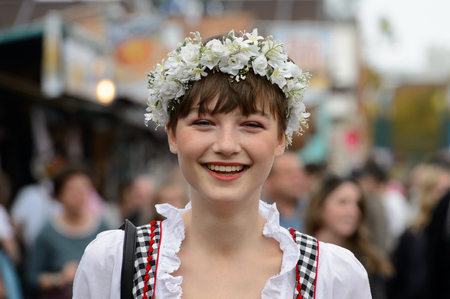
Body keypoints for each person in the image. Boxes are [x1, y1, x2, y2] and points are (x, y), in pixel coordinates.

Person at [73, 29, 371, 298]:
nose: (226, 146)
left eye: (251, 124)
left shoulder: (334, 278)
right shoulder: (112, 264)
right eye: (203, 122)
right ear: (172, 135)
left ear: (281, 139)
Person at [27, 165, 108, 299]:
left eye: (84, 188)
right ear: (60, 195)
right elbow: (32, 276)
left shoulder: (103, 227)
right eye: (72, 189)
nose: (79, 195)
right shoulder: (47, 231)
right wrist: (59, 278)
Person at [305, 174, 392, 299]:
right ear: (319, 206)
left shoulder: (369, 264)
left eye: (358, 204)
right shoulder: (294, 252)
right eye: (343, 202)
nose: (353, 211)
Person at [264, 151, 308, 231]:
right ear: (270, 180)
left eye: (300, 172)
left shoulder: (313, 211)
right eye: (289, 173)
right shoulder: (260, 214)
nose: (298, 179)